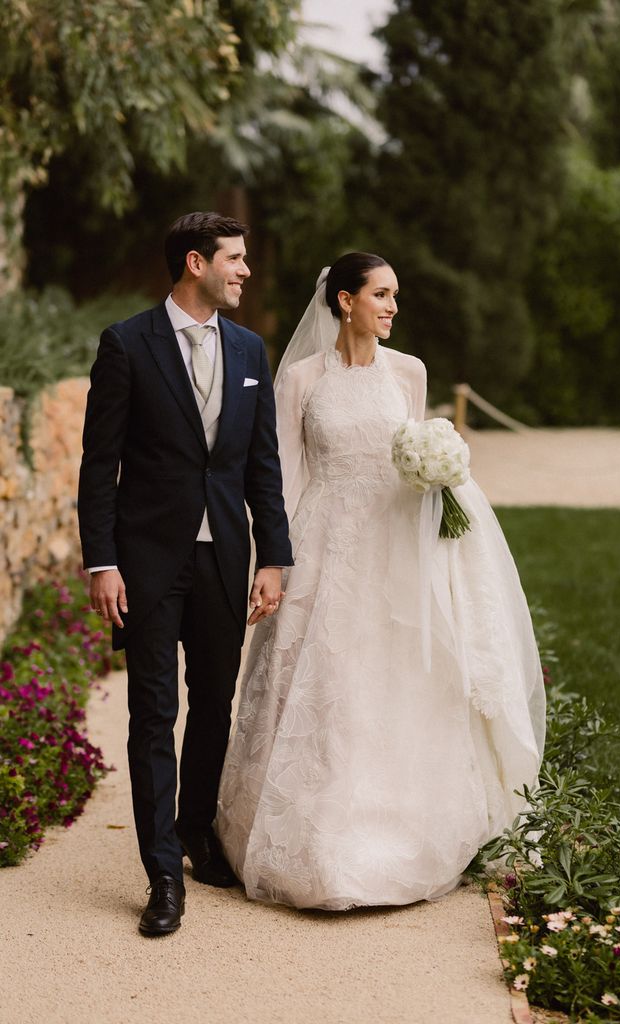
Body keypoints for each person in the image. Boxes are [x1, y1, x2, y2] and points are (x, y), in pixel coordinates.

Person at [215, 253, 546, 911]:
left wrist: (440, 478)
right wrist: (273, 562)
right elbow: (278, 478)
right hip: (324, 544)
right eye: (382, 294)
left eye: (396, 296)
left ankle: (396, 835)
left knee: (396, 681)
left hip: (398, 547)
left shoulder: (410, 373)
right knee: (327, 683)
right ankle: (311, 845)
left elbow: (411, 452)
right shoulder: (303, 379)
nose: (393, 307)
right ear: (345, 301)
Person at [77, 212, 292, 935]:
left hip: (226, 557)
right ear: (195, 262)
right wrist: (101, 560)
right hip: (145, 563)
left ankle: (197, 830)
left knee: (213, 708)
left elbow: (262, 466)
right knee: (152, 715)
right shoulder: (127, 344)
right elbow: (97, 465)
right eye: (234, 259)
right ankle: (163, 872)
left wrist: (275, 556)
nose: (245, 272)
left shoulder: (251, 349)